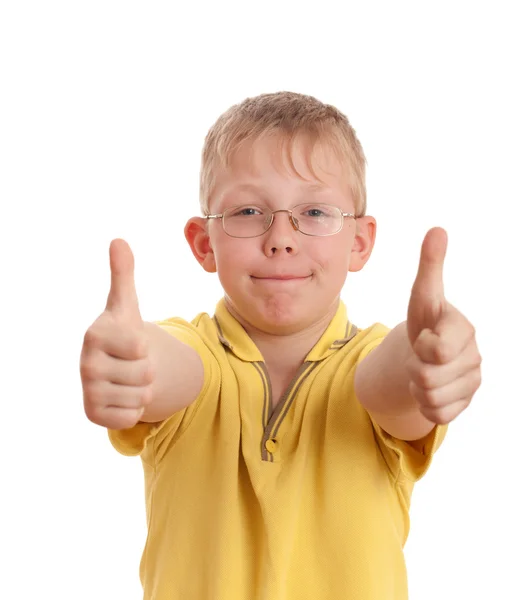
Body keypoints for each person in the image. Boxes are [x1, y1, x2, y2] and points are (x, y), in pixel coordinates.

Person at [80, 91, 482, 600]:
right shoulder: (193, 353)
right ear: (205, 243)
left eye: (314, 211)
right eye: (249, 211)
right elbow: (165, 366)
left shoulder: (371, 365)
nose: (281, 239)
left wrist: (425, 356)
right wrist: (132, 364)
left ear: (358, 242)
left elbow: (392, 382)